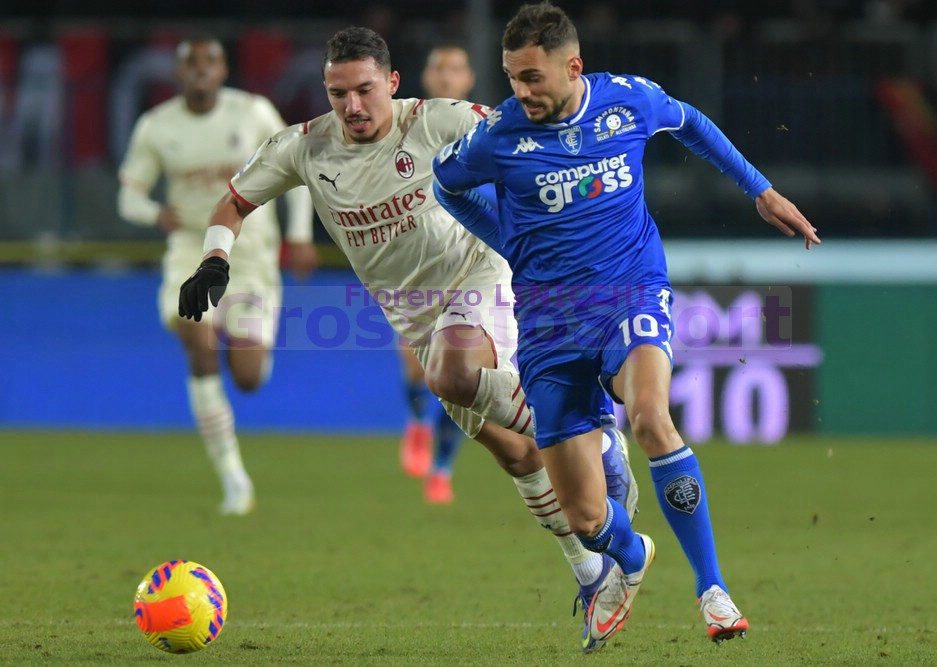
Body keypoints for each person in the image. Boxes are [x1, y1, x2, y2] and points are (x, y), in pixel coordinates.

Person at [176, 26, 638, 649]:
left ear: (392, 83)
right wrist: (215, 259)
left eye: (365, 90)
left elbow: (524, 134)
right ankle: (591, 572)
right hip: (415, 317)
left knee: (452, 373)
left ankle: (594, 437)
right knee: (515, 455)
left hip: (478, 274)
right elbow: (233, 202)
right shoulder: (303, 147)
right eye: (338, 93)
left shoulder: (436, 120)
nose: (352, 106)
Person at [433, 0, 821, 650]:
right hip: (548, 322)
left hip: (629, 291)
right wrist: (508, 240)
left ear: (573, 68)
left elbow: (692, 123)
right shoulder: (498, 136)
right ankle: (632, 553)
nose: (520, 91)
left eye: (532, 77)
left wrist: (760, 190)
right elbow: (446, 184)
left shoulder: (627, 100)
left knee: (649, 416)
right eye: (512, 77)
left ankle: (713, 589)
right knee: (587, 519)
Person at [117, 34, 318, 515]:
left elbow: (297, 172)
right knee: (199, 342)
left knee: (247, 377)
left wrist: (300, 236)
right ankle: (233, 477)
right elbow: (129, 196)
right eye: (191, 62)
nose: (201, 69)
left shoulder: (253, 113)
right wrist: (154, 213)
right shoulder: (156, 126)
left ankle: (250, 353)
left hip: (250, 255)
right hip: (191, 250)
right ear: (178, 72)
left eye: (210, 61)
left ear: (224, 69)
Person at [397, 43, 478, 503]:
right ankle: (416, 422)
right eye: (439, 68)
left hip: (470, 262)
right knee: (416, 364)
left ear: (468, 79)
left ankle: (442, 467)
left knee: (461, 370)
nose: (447, 76)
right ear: (427, 77)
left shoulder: (482, 130)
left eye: (456, 69)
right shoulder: (405, 129)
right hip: (416, 261)